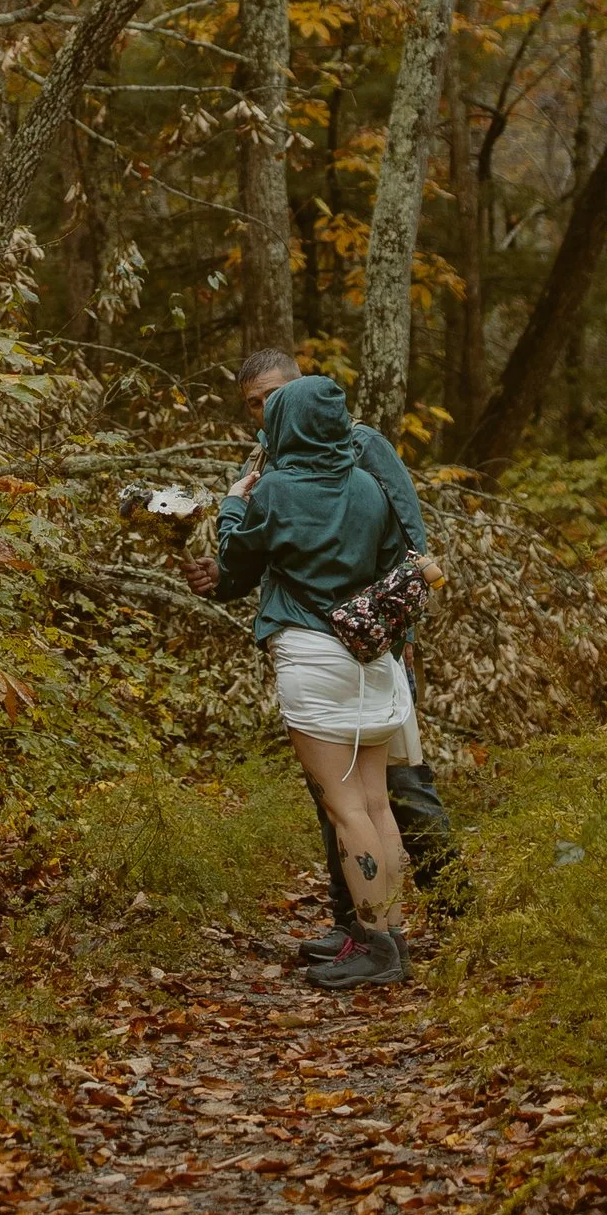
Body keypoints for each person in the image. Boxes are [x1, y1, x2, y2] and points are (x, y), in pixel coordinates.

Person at [230, 348, 458, 961]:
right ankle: (358, 926)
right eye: (256, 403)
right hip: (324, 645)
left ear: (304, 391)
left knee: (397, 792)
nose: (268, 410)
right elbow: (275, 554)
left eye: (277, 396)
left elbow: (410, 546)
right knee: (346, 800)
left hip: (375, 647)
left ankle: (456, 913)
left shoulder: (361, 446)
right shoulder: (270, 460)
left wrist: (395, 636)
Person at [202, 368, 419, 990]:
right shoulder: (370, 489)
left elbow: (236, 557)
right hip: (370, 661)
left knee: (345, 807)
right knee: (377, 803)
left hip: (312, 659)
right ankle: (392, 938)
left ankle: (376, 947)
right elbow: (389, 571)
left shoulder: (274, 491)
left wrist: (231, 506)